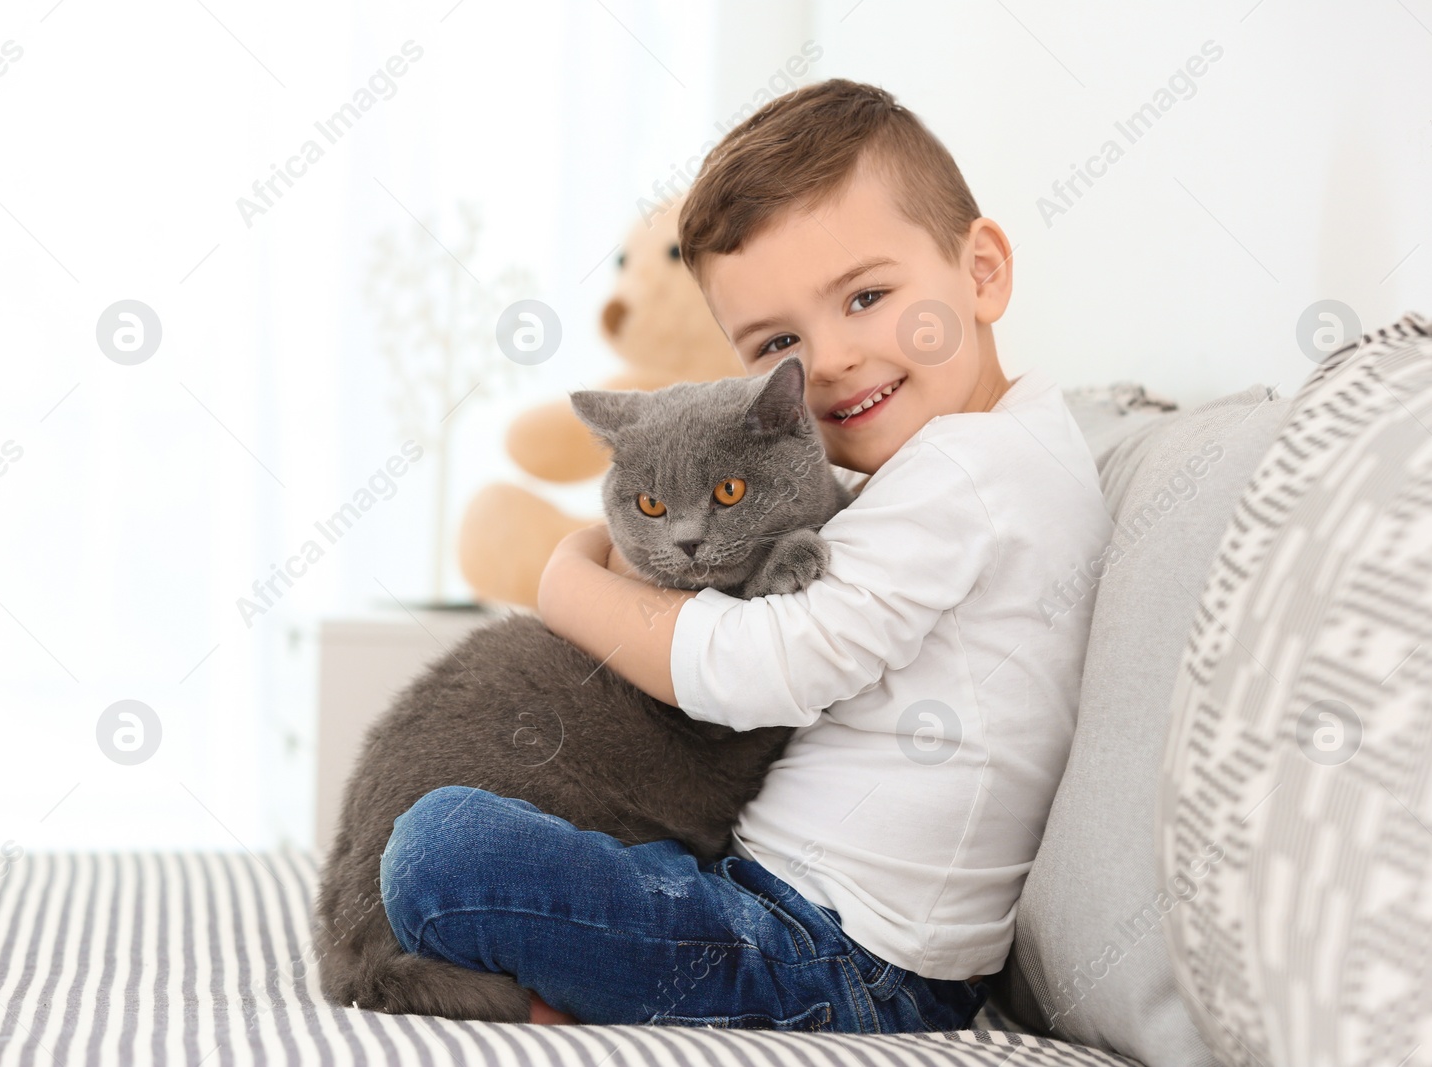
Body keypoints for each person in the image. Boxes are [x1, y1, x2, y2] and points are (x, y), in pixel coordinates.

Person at [380, 78, 1114, 1033]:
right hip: (781, 905)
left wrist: (563, 583)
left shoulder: (969, 475)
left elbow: (765, 666)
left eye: (866, 294)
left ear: (982, 270)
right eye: (778, 342)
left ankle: (550, 997)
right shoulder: (984, 455)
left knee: (441, 849)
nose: (831, 358)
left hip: (838, 961)